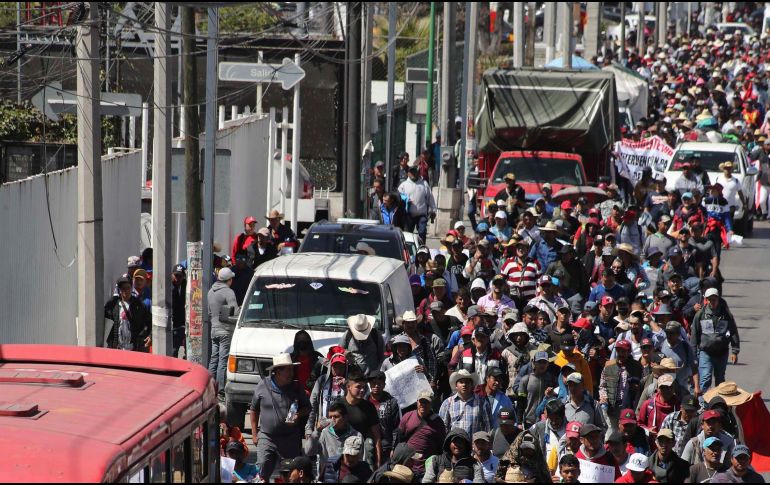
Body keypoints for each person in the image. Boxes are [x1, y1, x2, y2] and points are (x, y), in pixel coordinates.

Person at [248, 353, 311, 480]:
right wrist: (255, 434)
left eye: (292, 369)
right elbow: (254, 410)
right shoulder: (262, 385)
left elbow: (308, 408)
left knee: (290, 475)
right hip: (267, 437)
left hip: (290, 439)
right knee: (261, 471)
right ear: (277, 372)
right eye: (287, 370)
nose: (291, 373)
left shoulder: (296, 387)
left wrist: (298, 415)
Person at [692, 288, 740, 392]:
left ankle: (719, 405)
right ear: (706, 300)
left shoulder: (726, 315)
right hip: (706, 353)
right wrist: (693, 355)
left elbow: (733, 332)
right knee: (705, 379)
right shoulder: (700, 315)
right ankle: (703, 405)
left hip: (722, 353)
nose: (712, 301)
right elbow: (694, 335)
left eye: (714, 299)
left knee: (720, 381)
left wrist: (735, 351)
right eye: (709, 299)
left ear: (718, 299)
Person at [304, 399, 363, 481]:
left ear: (345, 417)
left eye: (336, 417)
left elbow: (361, 460)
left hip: (349, 478)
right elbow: (308, 451)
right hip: (329, 477)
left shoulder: (356, 435)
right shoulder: (324, 433)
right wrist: (317, 431)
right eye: (330, 417)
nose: (332, 420)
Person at [396, 390, 446, 477]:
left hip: (427, 469)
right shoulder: (407, 416)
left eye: (427, 402)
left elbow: (441, 446)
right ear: (417, 402)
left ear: (431, 404)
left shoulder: (438, 422)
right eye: (421, 401)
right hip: (407, 467)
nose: (423, 404)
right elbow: (399, 439)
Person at [207, 267, 239, 395]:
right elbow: (235, 311)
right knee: (223, 360)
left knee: (213, 358)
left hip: (213, 329)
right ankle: (220, 391)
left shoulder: (210, 291)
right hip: (225, 330)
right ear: (229, 280)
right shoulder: (228, 292)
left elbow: (209, 313)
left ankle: (209, 387)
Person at [342, 371, 383, 469]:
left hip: (362, 457)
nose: (362, 390)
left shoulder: (369, 407)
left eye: (364, 387)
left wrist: (378, 461)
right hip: (342, 456)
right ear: (348, 387)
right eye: (358, 387)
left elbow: (377, 436)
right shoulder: (338, 406)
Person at [439, 369, 493, 437]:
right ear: (456, 385)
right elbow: (442, 427)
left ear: (472, 385)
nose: (464, 385)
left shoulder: (482, 402)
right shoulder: (447, 403)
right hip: (455, 444)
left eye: (467, 382)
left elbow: (489, 427)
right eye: (461, 382)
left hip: (474, 445)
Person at [104, 276, 151, 352]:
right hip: (116, 348)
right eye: (123, 288)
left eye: (128, 288)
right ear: (119, 290)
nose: (126, 291)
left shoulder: (139, 305)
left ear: (131, 288)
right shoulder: (112, 305)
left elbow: (150, 322)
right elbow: (104, 322)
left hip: (134, 349)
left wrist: (150, 336)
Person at [367, 370, 401, 459]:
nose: (376, 386)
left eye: (379, 383)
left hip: (386, 446)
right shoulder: (364, 401)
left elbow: (396, 427)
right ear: (369, 384)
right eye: (373, 383)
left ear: (384, 385)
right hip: (367, 446)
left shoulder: (392, 402)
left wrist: (394, 448)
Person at [398, 163, 436, 243]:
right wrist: (405, 200)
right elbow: (398, 197)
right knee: (409, 234)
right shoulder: (403, 185)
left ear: (418, 172)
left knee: (422, 232)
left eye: (415, 172)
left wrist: (433, 210)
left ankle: (422, 248)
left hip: (421, 214)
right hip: (408, 215)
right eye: (411, 172)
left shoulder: (424, 184)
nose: (413, 174)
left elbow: (430, 198)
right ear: (408, 173)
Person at [170, 264, 187, 357]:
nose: (177, 279)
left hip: (184, 322)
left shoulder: (186, 285)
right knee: (174, 350)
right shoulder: (169, 287)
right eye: (176, 276)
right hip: (174, 324)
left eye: (180, 276)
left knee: (187, 350)